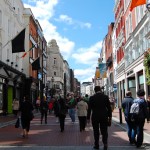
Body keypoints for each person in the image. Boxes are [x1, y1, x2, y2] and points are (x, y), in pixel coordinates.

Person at [87, 86, 112, 150]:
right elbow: (109, 108)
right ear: (100, 90)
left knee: (96, 131)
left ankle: (97, 145)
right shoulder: (105, 97)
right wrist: (110, 117)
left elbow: (89, 109)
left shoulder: (92, 98)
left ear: (94, 90)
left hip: (95, 116)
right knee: (104, 130)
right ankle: (105, 144)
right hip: (104, 116)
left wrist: (88, 118)